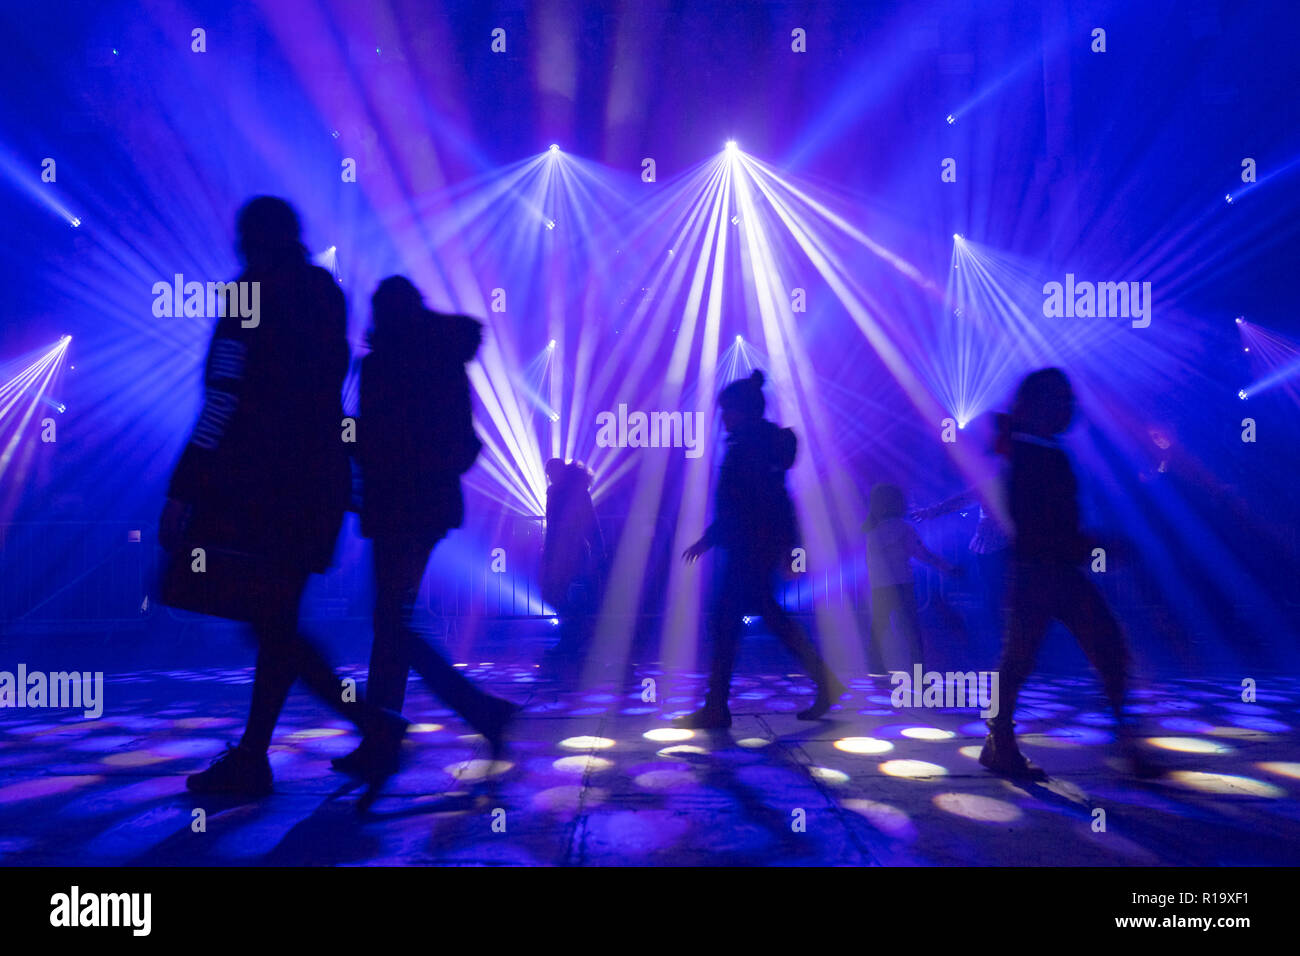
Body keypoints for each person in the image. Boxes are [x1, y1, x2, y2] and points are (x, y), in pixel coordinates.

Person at [161, 197, 405, 798]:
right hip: (315, 483)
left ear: (250, 240)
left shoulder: (247, 298)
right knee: (276, 621)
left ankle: (360, 727)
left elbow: (223, 399)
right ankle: (273, 750)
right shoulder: (326, 294)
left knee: (269, 623)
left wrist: (185, 485)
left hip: (260, 490)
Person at [330, 276, 517, 779]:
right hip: (430, 507)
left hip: (395, 506)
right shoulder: (445, 361)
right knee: (393, 622)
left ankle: (437, 720)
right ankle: (392, 731)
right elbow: (464, 442)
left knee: (391, 622)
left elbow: (372, 440)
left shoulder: (380, 364)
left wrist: (337, 439)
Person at [979, 367, 1154, 778]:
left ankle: (1000, 742)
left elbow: (1049, 529)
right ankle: (1126, 749)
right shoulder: (1033, 457)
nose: (1070, 409)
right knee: (1096, 653)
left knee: (1028, 661)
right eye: (1062, 400)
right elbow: (1046, 530)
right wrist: (1100, 547)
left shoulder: (1034, 451)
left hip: (1045, 573)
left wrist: (1090, 547)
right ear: (1041, 406)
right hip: (1045, 574)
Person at [676, 370, 844, 729]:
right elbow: (773, 500)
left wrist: (711, 538)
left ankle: (717, 707)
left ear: (741, 410)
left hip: (749, 547)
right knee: (760, 616)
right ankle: (821, 682)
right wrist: (787, 546)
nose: (723, 417)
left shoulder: (748, 446)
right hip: (756, 546)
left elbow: (746, 504)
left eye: (727, 410)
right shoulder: (756, 444)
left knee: (729, 621)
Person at [911, 411, 1010, 661]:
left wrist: (931, 512)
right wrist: (931, 512)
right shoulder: (994, 473)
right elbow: (965, 499)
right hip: (993, 541)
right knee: (995, 593)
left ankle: (1005, 647)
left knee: (999, 593)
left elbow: (965, 499)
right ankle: (1003, 647)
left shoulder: (1003, 472)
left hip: (1001, 542)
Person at [862, 483, 961, 673]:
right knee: (911, 631)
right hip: (902, 585)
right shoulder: (902, 529)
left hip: (879, 586)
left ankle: (875, 666)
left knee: (879, 627)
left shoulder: (870, 531)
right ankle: (918, 669)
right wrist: (948, 568)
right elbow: (923, 554)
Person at [540, 458, 604, 665]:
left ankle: (574, 635)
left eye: (550, 472)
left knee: (553, 593)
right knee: (555, 593)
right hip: (571, 551)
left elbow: (584, 522)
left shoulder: (563, 492)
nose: (548, 476)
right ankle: (576, 634)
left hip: (567, 552)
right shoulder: (574, 490)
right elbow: (590, 522)